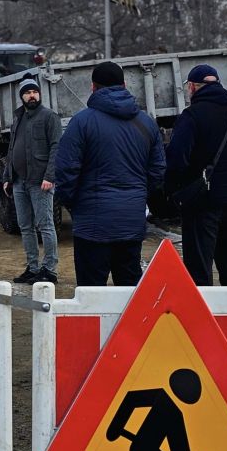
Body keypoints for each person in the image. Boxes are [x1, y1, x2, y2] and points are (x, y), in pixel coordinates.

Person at [55, 61, 165, 286]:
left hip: (91, 223)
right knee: (128, 290)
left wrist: (73, 204)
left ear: (93, 87)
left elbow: (66, 170)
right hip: (131, 220)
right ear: (124, 85)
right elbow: (158, 170)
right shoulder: (146, 123)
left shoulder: (81, 122)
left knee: (91, 293)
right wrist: (138, 197)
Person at [165, 64, 227, 286]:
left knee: (199, 267)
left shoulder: (191, 115)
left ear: (194, 87)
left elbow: (177, 159)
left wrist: (177, 188)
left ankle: (203, 317)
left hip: (201, 202)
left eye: (188, 86)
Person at [3, 75, 62, 284]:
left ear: (39, 94)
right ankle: (33, 267)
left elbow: (57, 147)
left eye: (34, 92)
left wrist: (50, 176)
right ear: (22, 97)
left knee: (45, 225)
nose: (32, 95)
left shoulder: (49, 117)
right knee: (25, 226)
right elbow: (11, 149)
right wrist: (7, 177)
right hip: (19, 182)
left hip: (40, 182)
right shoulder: (18, 119)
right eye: (27, 93)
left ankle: (50, 269)